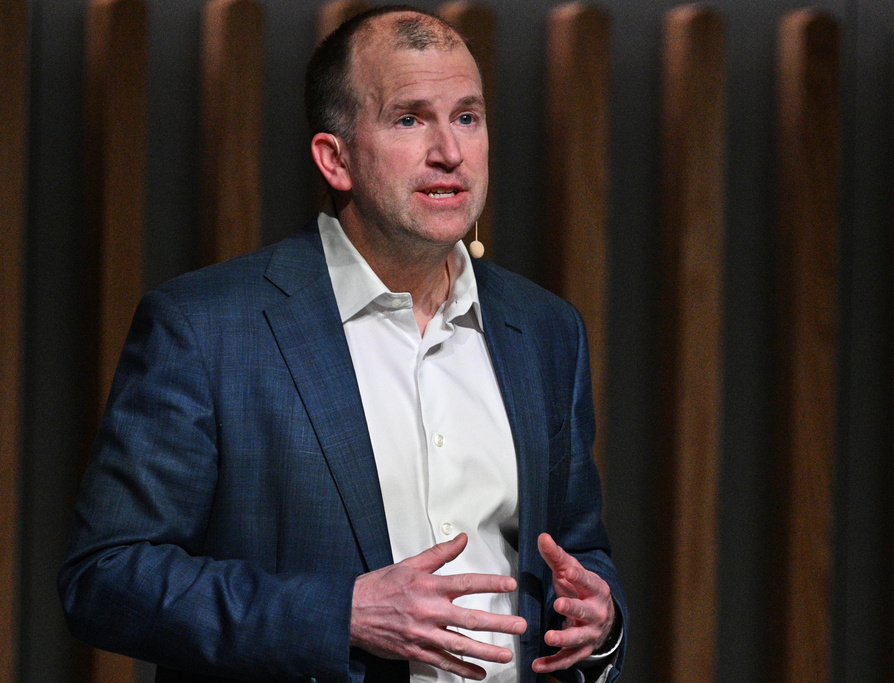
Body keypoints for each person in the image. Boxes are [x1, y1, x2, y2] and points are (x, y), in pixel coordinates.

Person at [59, 6, 626, 682]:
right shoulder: (206, 327)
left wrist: (603, 616)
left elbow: (580, 546)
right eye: (410, 118)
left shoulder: (546, 330)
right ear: (336, 158)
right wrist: (340, 612)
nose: (449, 150)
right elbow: (107, 577)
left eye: (467, 117)